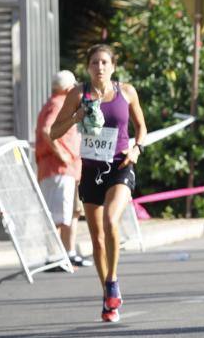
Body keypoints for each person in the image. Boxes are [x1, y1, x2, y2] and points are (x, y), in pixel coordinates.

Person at [51, 45, 147, 323]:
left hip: (120, 166)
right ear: (88, 67)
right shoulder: (77, 94)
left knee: (111, 221)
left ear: (113, 66)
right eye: (94, 62)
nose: (100, 67)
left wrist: (136, 148)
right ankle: (108, 295)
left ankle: (113, 279)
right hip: (91, 170)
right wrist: (76, 117)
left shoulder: (126, 92)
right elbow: (53, 132)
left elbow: (141, 127)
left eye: (104, 62)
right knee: (97, 239)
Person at [36, 70, 92, 269]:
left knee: (70, 213)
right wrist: (62, 155)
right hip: (58, 168)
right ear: (68, 88)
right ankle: (55, 257)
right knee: (59, 214)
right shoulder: (58, 104)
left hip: (68, 169)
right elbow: (46, 131)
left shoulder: (57, 103)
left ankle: (68, 254)